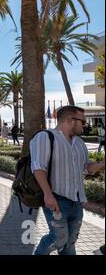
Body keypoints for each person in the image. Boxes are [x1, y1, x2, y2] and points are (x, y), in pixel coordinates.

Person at [31, 106, 104, 255]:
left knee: (70, 241)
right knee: (58, 239)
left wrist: (102, 164)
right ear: (70, 120)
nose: (85, 125)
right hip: (56, 199)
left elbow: (86, 168)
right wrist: (48, 195)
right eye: (82, 122)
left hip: (76, 201)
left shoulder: (79, 143)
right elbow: (38, 168)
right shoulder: (45, 137)